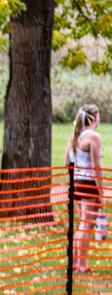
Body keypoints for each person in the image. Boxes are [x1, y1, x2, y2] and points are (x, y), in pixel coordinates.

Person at [65, 103, 103, 273]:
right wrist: (101, 192)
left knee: (82, 223)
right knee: (86, 225)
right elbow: (97, 167)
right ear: (95, 118)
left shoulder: (75, 136)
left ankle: (74, 262)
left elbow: (67, 162)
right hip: (88, 185)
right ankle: (82, 265)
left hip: (76, 183)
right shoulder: (93, 137)